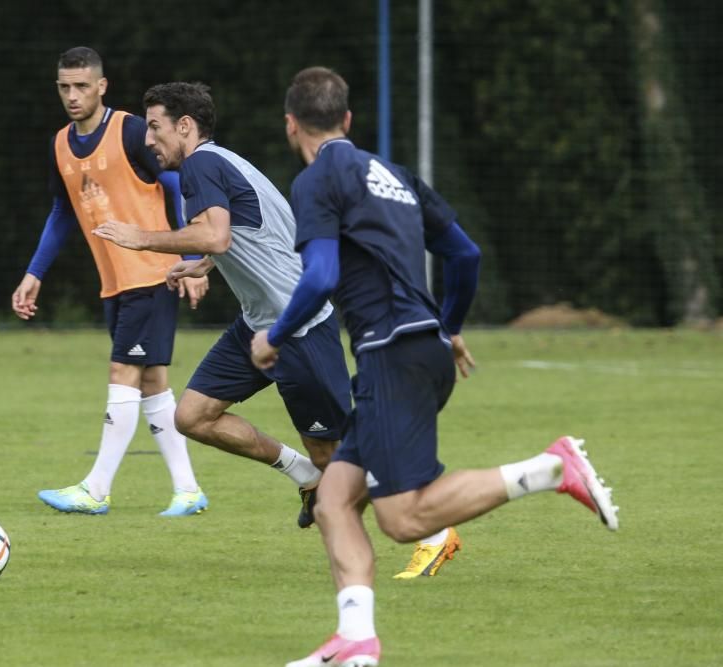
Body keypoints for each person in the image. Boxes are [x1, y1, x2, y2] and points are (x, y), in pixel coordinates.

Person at [250, 67, 620, 667]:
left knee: (404, 517)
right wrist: (448, 326)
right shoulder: (393, 175)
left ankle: (553, 468)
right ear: (348, 120)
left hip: (392, 352)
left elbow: (318, 276)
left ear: (291, 124)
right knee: (336, 499)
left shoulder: (317, 179)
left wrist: (275, 335)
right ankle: (355, 641)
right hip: (412, 347)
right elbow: (464, 254)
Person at [94, 82, 463, 580]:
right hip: (258, 324)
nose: (149, 140)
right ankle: (303, 475)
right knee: (194, 415)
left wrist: (144, 239)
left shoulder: (202, 164)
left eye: (155, 127)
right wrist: (204, 264)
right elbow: (243, 230)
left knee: (339, 451)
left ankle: (435, 531)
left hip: (298, 327)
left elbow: (217, 232)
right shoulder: (221, 161)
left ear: (185, 126)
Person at [11, 47, 210, 518]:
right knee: (152, 383)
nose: (72, 96)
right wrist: (34, 272)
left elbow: (179, 183)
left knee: (123, 373)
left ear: (102, 86)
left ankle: (96, 488)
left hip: (151, 274)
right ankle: (188, 490)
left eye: (82, 86)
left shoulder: (132, 131)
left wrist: (190, 257)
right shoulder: (61, 143)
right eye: (64, 87)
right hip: (114, 281)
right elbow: (63, 212)